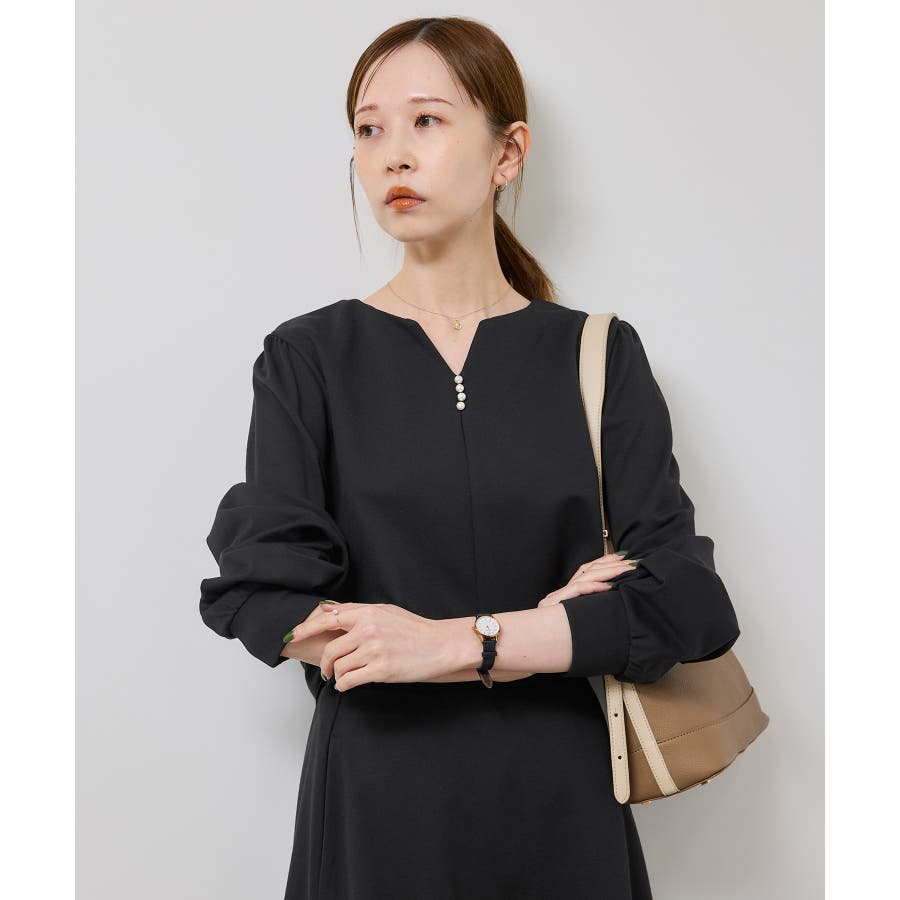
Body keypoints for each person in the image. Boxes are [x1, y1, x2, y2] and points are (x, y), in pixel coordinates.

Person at [199, 16, 741, 900]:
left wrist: (455, 643)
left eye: (427, 120)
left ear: (508, 152)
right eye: (368, 128)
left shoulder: (598, 355)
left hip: (563, 797)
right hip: (377, 801)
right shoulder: (308, 358)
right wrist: (544, 633)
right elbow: (264, 592)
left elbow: (686, 602)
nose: (392, 155)